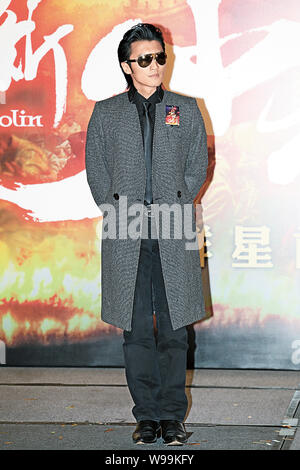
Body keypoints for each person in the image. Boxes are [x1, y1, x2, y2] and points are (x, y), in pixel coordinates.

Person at [85, 23, 208, 446]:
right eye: (145, 59)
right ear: (127, 65)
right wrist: (118, 209)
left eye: (160, 57)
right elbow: (97, 171)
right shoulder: (106, 112)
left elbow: (197, 164)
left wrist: (176, 201)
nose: (155, 65)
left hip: (173, 230)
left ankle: (173, 417)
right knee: (135, 329)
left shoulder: (185, 109)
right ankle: (147, 417)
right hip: (125, 232)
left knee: (175, 331)